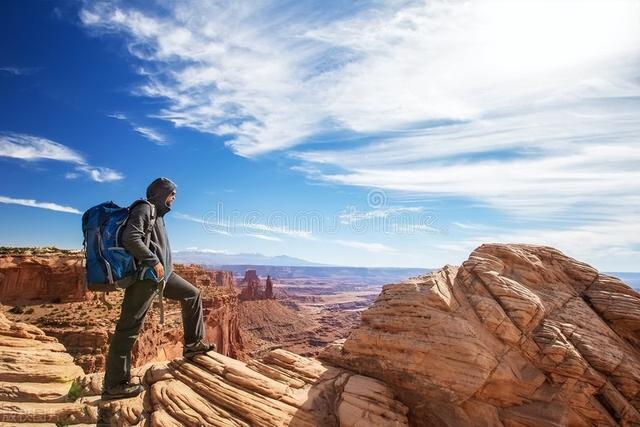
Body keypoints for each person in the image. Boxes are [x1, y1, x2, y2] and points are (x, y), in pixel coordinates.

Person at [101, 177, 215, 400]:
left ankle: (192, 344)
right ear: (162, 193)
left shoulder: (158, 215)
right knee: (128, 327)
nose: (174, 198)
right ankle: (114, 384)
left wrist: (162, 265)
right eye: (172, 194)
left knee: (192, 294)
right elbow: (130, 237)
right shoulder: (145, 208)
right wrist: (153, 260)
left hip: (163, 277)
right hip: (146, 278)